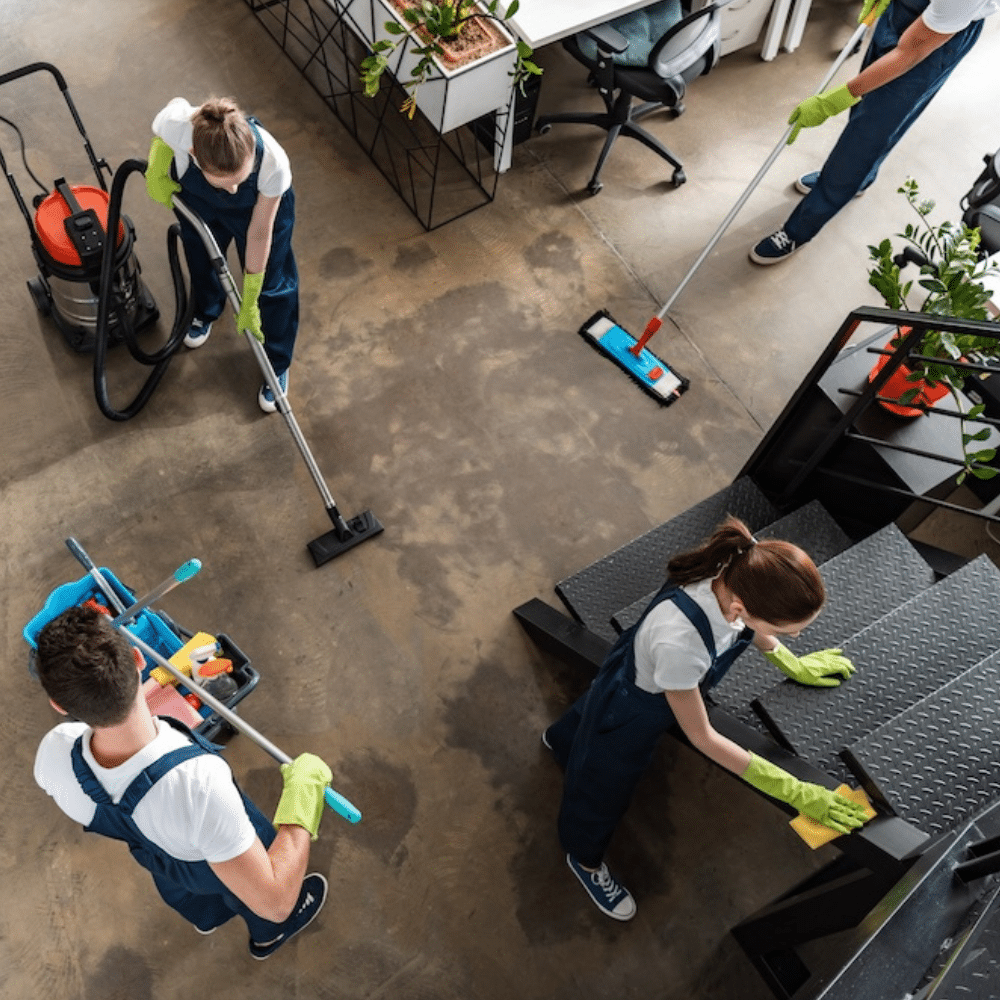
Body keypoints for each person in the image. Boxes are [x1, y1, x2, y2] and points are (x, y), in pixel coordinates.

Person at [544, 517, 870, 920]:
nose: (795, 637)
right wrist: (795, 792)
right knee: (602, 786)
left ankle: (561, 741)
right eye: (788, 633)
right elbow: (703, 737)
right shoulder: (683, 646)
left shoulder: (737, 568)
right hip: (635, 708)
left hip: (640, 666)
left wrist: (791, 663)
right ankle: (583, 856)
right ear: (741, 608)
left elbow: (749, 627)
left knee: (591, 712)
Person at [33, 604, 330, 959]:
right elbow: (275, 900)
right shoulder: (199, 786)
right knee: (250, 885)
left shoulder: (54, 752)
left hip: (159, 853)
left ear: (59, 705)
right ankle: (268, 937)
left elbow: (111, 726)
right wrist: (304, 794)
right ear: (139, 659)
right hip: (204, 850)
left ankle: (208, 915)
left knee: (183, 883)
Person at [749, 0, 997, 265]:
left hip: (934, 42)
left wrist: (835, 100)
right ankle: (859, 179)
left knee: (866, 137)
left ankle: (799, 230)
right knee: (866, 114)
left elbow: (910, 52)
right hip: (910, 13)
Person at [145, 96, 299, 412]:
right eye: (225, 182)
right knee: (200, 252)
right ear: (193, 154)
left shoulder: (274, 165)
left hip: (259, 211)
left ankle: (276, 361)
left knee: (272, 280)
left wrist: (251, 295)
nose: (232, 190)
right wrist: (158, 168)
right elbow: (160, 134)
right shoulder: (178, 126)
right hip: (199, 197)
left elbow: (259, 234)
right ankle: (207, 309)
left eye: (238, 181)